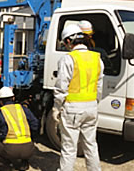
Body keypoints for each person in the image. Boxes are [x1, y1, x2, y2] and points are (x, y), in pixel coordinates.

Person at [52, 24, 104, 171]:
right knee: (91, 145)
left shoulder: (68, 59)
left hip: (73, 109)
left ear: (69, 41)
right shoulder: (97, 59)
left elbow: (61, 87)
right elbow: (99, 87)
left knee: (69, 148)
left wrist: (56, 107)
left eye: (65, 43)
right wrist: (94, 102)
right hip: (91, 107)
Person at [0, 87, 39, 171]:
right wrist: (30, 137)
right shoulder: (23, 109)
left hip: (11, 150)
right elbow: (35, 124)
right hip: (29, 149)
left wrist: (3, 136)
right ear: (13, 98)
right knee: (22, 149)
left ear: (0, 101)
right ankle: (23, 164)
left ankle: (6, 165)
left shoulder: (0, 112)